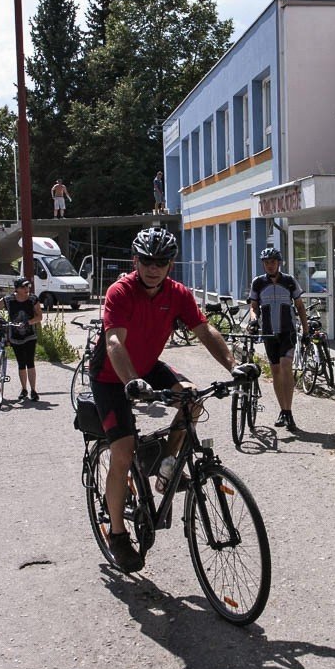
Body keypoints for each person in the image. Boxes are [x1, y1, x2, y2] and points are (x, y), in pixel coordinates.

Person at [91, 227, 258, 572]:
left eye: (162, 262)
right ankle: (119, 535)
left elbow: (204, 330)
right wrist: (132, 382)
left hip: (148, 365)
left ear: (170, 264)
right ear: (136, 260)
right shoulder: (121, 291)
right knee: (123, 450)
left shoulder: (178, 293)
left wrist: (233, 365)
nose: (154, 268)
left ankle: (167, 467)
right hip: (111, 375)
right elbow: (114, 344)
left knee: (193, 398)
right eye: (147, 261)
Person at [247, 246, 309, 430]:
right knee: (275, 371)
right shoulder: (258, 283)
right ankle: (283, 411)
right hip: (268, 333)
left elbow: (300, 307)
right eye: (267, 262)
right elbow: (253, 307)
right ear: (263, 265)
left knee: (285, 366)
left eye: (273, 262)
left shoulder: (289, 281)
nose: (270, 265)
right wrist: (253, 321)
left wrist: (305, 331)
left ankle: (289, 411)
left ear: (279, 263)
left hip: (287, 331)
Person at [0, 277, 43, 402]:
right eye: (23, 287)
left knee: (30, 362)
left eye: (27, 286)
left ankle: (33, 390)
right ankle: (24, 389)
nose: (27, 289)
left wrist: (29, 322)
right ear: (16, 289)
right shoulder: (8, 299)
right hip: (15, 336)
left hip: (30, 335)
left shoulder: (33, 299)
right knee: (21, 363)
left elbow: (39, 316)